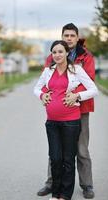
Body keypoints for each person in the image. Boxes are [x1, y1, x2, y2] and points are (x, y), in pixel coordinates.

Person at [37, 23, 96, 199]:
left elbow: (89, 80)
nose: (69, 38)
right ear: (62, 37)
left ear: (77, 38)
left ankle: (87, 185)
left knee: (81, 149)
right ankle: (51, 183)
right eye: (66, 35)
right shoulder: (53, 55)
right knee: (55, 151)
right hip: (57, 113)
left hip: (80, 109)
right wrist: (45, 95)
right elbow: (48, 81)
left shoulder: (85, 57)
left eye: (72, 35)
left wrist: (74, 96)